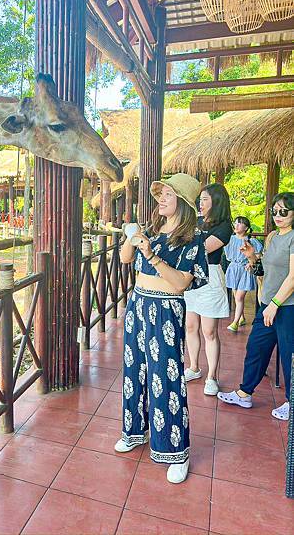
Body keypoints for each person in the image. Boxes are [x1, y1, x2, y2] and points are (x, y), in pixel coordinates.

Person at [116, 174, 208, 484]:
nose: (161, 199)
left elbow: (181, 283)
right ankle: (134, 431)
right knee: (134, 372)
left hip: (166, 309)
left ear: (182, 202)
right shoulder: (152, 230)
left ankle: (176, 451)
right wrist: (134, 239)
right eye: (161, 194)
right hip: (138, 304)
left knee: (166, 377)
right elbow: (125, 259)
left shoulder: (193, 238)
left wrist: (152, 254)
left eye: (168, 194)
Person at [218, 192, 294, 421]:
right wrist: (252, 257)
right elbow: (263, 269)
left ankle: (292, 403)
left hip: (287, 306)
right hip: (267, 304)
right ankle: (245, 393)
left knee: (289, 355)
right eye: (275, 211)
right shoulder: (272, 236)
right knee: (256, 348)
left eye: (284, 211)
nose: (278, 215)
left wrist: (275, 304)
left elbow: (292, 277)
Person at [184, 183, 233, 396]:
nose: (200, 203)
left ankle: (212, 376)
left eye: (204, 199)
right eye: (200, 199)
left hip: (210, 277)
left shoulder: (224, 227)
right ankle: (194, 367)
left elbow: (201, 250)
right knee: (190, 326)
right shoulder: (197, 222)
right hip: (191, 276)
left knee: (209, 331)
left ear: (217, 201)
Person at [224, 217, 263, 332]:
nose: (236, 226)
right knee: (236, 296)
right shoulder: (230, 239)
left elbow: (259, 256)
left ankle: (235, 323)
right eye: (235, 223)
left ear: (246, 228)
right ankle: (242, 318)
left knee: (239, 297)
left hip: (245, 270)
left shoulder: (251, 241)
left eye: (239, 224)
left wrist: (251, 262)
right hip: (233, 268)